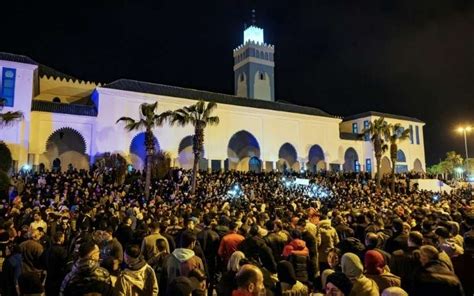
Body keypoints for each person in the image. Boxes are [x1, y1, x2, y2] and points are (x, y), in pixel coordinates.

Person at [44, 231, 68, 296]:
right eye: (63, 237)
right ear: (61, 238)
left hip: (49, 279)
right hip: (58, 279)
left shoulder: (48, 250)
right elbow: (65, 264)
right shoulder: (63, 251)